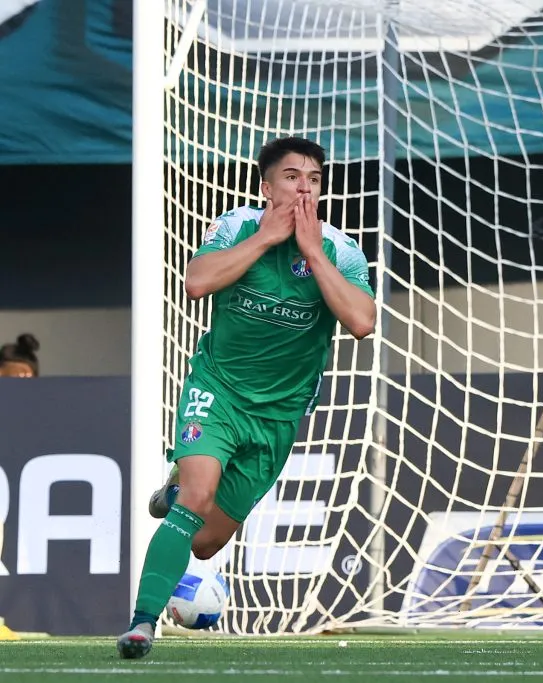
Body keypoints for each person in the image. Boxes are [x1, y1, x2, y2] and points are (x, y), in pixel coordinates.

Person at [117, 136, 376, 659]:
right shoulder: (236, 228)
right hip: (218, 391)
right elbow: (196, 282)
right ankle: (142, 624)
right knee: (196, 498)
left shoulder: (340, 249)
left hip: (278, 415)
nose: (304, 187)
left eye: (314, 180)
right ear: (266, 186)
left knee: (207, 540)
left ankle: (176, 491)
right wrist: (265, 240)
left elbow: (362, 322)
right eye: (291, 176)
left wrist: (309, 252)